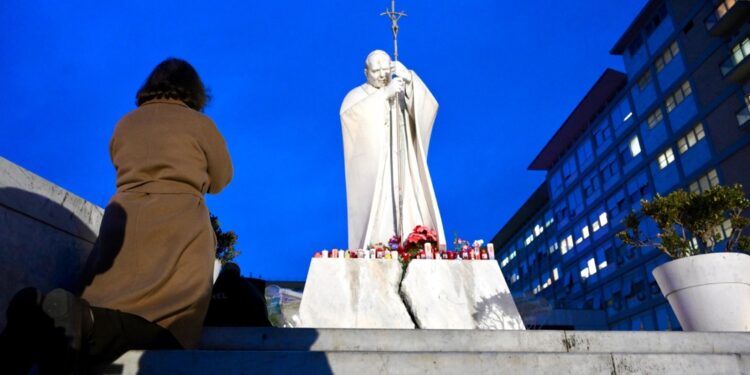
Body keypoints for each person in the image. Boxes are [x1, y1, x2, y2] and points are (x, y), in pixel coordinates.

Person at [0, 57, 233, 373]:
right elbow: (222, 178)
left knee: (111, 297)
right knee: (165, 321)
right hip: (180, 226)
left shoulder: (126, 123)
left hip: (123, 220)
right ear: (195, 92)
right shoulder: (200, 125)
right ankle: (86, 320)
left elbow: (117, 159)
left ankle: (44, 315)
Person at [340, 50, 445, 250]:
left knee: (408, 198)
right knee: (380, 212)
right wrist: (382, 97)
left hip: (403, 162)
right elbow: (351, 120)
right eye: (376, 70)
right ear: (365, 72)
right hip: (376, 168)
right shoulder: (355, 97)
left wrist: (409, 81)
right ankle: (379, 244)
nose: (381, 75)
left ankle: (412, 239)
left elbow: (428, 108)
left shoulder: (398, 89)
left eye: (385, 69)